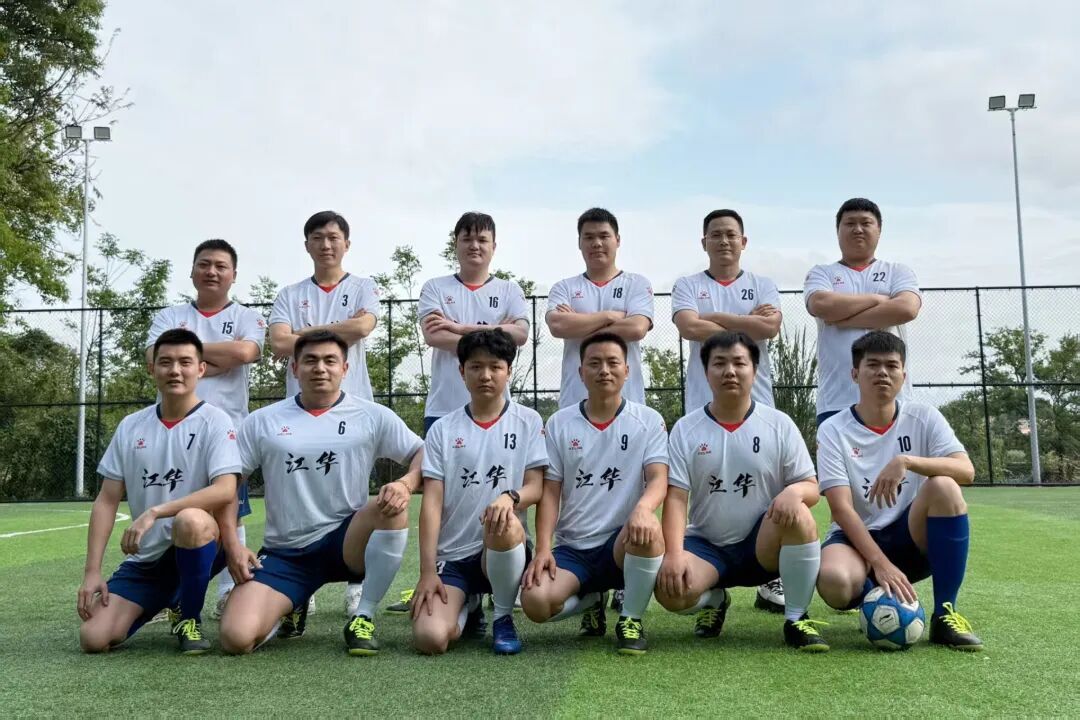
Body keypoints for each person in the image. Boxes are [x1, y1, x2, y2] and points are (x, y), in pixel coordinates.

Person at [218, 330, 423, 656]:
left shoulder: (371, 415)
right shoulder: (262, 421)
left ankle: (363, 616)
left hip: (347, 542)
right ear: (295, 368)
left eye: (330, 361)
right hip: (286, 553)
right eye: (310, 361)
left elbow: (422, 453)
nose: (320, 368)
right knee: (236, 638)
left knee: (391, 505)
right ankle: (292, 603)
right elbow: (228, 485)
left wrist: (405, 484)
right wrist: (233, 546)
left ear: (345, 368)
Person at [384, 212, 531, 617]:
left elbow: (519, 335)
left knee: (507, 488)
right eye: (467, 238)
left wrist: (459, 327)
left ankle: (505, 579)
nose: (475, 245)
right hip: (444, 410)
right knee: (444, 499)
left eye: (483, 239)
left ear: (494, 246)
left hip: (496, 412)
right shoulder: (436, 287)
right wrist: (491, 330)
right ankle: (445, 576)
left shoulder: (509, 289)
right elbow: (434, 335)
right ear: (456, 244)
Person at [655, 331, 829, 652]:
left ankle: (796, 618)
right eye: (719, 363)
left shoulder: (779, 424)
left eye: (739, 363)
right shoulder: (686, 429)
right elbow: (676, 499)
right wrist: (675, 554)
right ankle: (715, 600)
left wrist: (794, 492)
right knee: (669, 592)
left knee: (800, 513)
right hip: (707, 546)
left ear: (755, 371)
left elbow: (811, 486)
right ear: (706, 371)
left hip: (761, 546)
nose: (730, 371)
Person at [815, 331, 983, 650]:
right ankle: (875, 599)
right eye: (873, 365)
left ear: (903, 376)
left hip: (909, 535)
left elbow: (966, 470)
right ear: (855, 374)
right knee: (835, 582)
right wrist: (880, 563)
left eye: (892, 366)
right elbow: (841, 509)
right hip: (856, 539)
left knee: (945, 487)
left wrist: (906, 461)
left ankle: (945, 614)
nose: (883, 372)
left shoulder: (923, 416)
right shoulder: (833, 429)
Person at [78, 329, 240, 655]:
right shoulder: (131, 425)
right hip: (147, 560)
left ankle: (189, 618)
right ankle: (169, 597)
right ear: (152, 368)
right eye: (165, 362)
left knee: (190, 520)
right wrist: (92, 571)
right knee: (93, 638)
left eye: (185, 362)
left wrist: (155, 512)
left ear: (201, 369)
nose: (175, 370)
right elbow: (107, 500)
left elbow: (225, 490)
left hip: (202, 542)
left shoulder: (215, 421)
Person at [520, 332, 668, 655]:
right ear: (581, 372)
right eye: (595, 363)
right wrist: (543, 548)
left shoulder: (648, 420)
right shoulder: (559, 423)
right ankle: (590, 600)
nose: (604, 370)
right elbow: (550, 493)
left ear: (627, 370)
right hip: (574, 548)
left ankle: (631, 618)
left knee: (649, 531)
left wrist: (643, 509)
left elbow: (659, 478)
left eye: (613, 363)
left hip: (621, 543)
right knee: (535, 602)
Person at [671, 208, 785, 614]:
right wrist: (743, 324)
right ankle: (710, 570)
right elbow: (688, 326)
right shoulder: (687, 284)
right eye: (715, 234)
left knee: (768, 483)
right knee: (706, 485)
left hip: (759, 403)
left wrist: (714, 319)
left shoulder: (762, 284)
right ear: (704, 242)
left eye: (731, 234)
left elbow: (769, 328)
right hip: (703, 405)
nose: (723, 240)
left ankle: (771, 574)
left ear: (743, 241)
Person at [146, 238, 265, 619]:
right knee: (176, 510)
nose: (212, 271)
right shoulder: (170, 314)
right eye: (204, 264)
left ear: (233, 275)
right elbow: (151, 357)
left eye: (220, 266)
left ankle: (229, 590)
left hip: (229, 431)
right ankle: (168, 593)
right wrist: (219, 355)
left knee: (231, 509)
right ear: (192, 270)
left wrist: (185, 352)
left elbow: (245, 352)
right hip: (174, 429)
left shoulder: (246, 316)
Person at [270, 210, 381, 616]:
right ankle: (302, 583)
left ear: (346, 244)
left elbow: (363, 327)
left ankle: (357, 582)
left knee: (354, 496)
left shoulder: (364, 286)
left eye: (334, 237)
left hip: (353, 407)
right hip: (300, 410)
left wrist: (304, 335)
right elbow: (279, 343)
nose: (326, 244)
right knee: (300, 490)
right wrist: (338, 329)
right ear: (307, 245)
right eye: (318, 237)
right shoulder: (289, 294)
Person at [411, 329, 546, 655]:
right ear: (461, 371)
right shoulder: (442, 429)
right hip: (453, 556)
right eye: (475, 367)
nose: (485, 375)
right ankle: (468, 605)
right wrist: (427, 571)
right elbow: (432, 503)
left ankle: (502, 617)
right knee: (431, 639)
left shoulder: (528, 421)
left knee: (503, 521)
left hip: (505, 547)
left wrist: (510, 497)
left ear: (508, 371)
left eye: (495, 367)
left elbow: (537, 487)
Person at [804, 198, 921, 426]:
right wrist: (878, 299)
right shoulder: (821, 273)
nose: (858, 229)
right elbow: (821, 305)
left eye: (866, 223)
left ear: (879, 230)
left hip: (893, 402)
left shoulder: (898, 271)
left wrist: (844, 320)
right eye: (850, 223)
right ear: (838, 231)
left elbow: (907, 308)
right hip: (836, 401)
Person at [546, 207, 654, 410]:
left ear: (618, 240)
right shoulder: (564, 287)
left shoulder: (637, 283)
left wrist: (579, 325)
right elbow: (558, 326)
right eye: (589, 237)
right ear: (579, 242)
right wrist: (610, 316)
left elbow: (636, 328)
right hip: (575, 401)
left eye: (604, 236)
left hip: (628, 402)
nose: (596, 243)